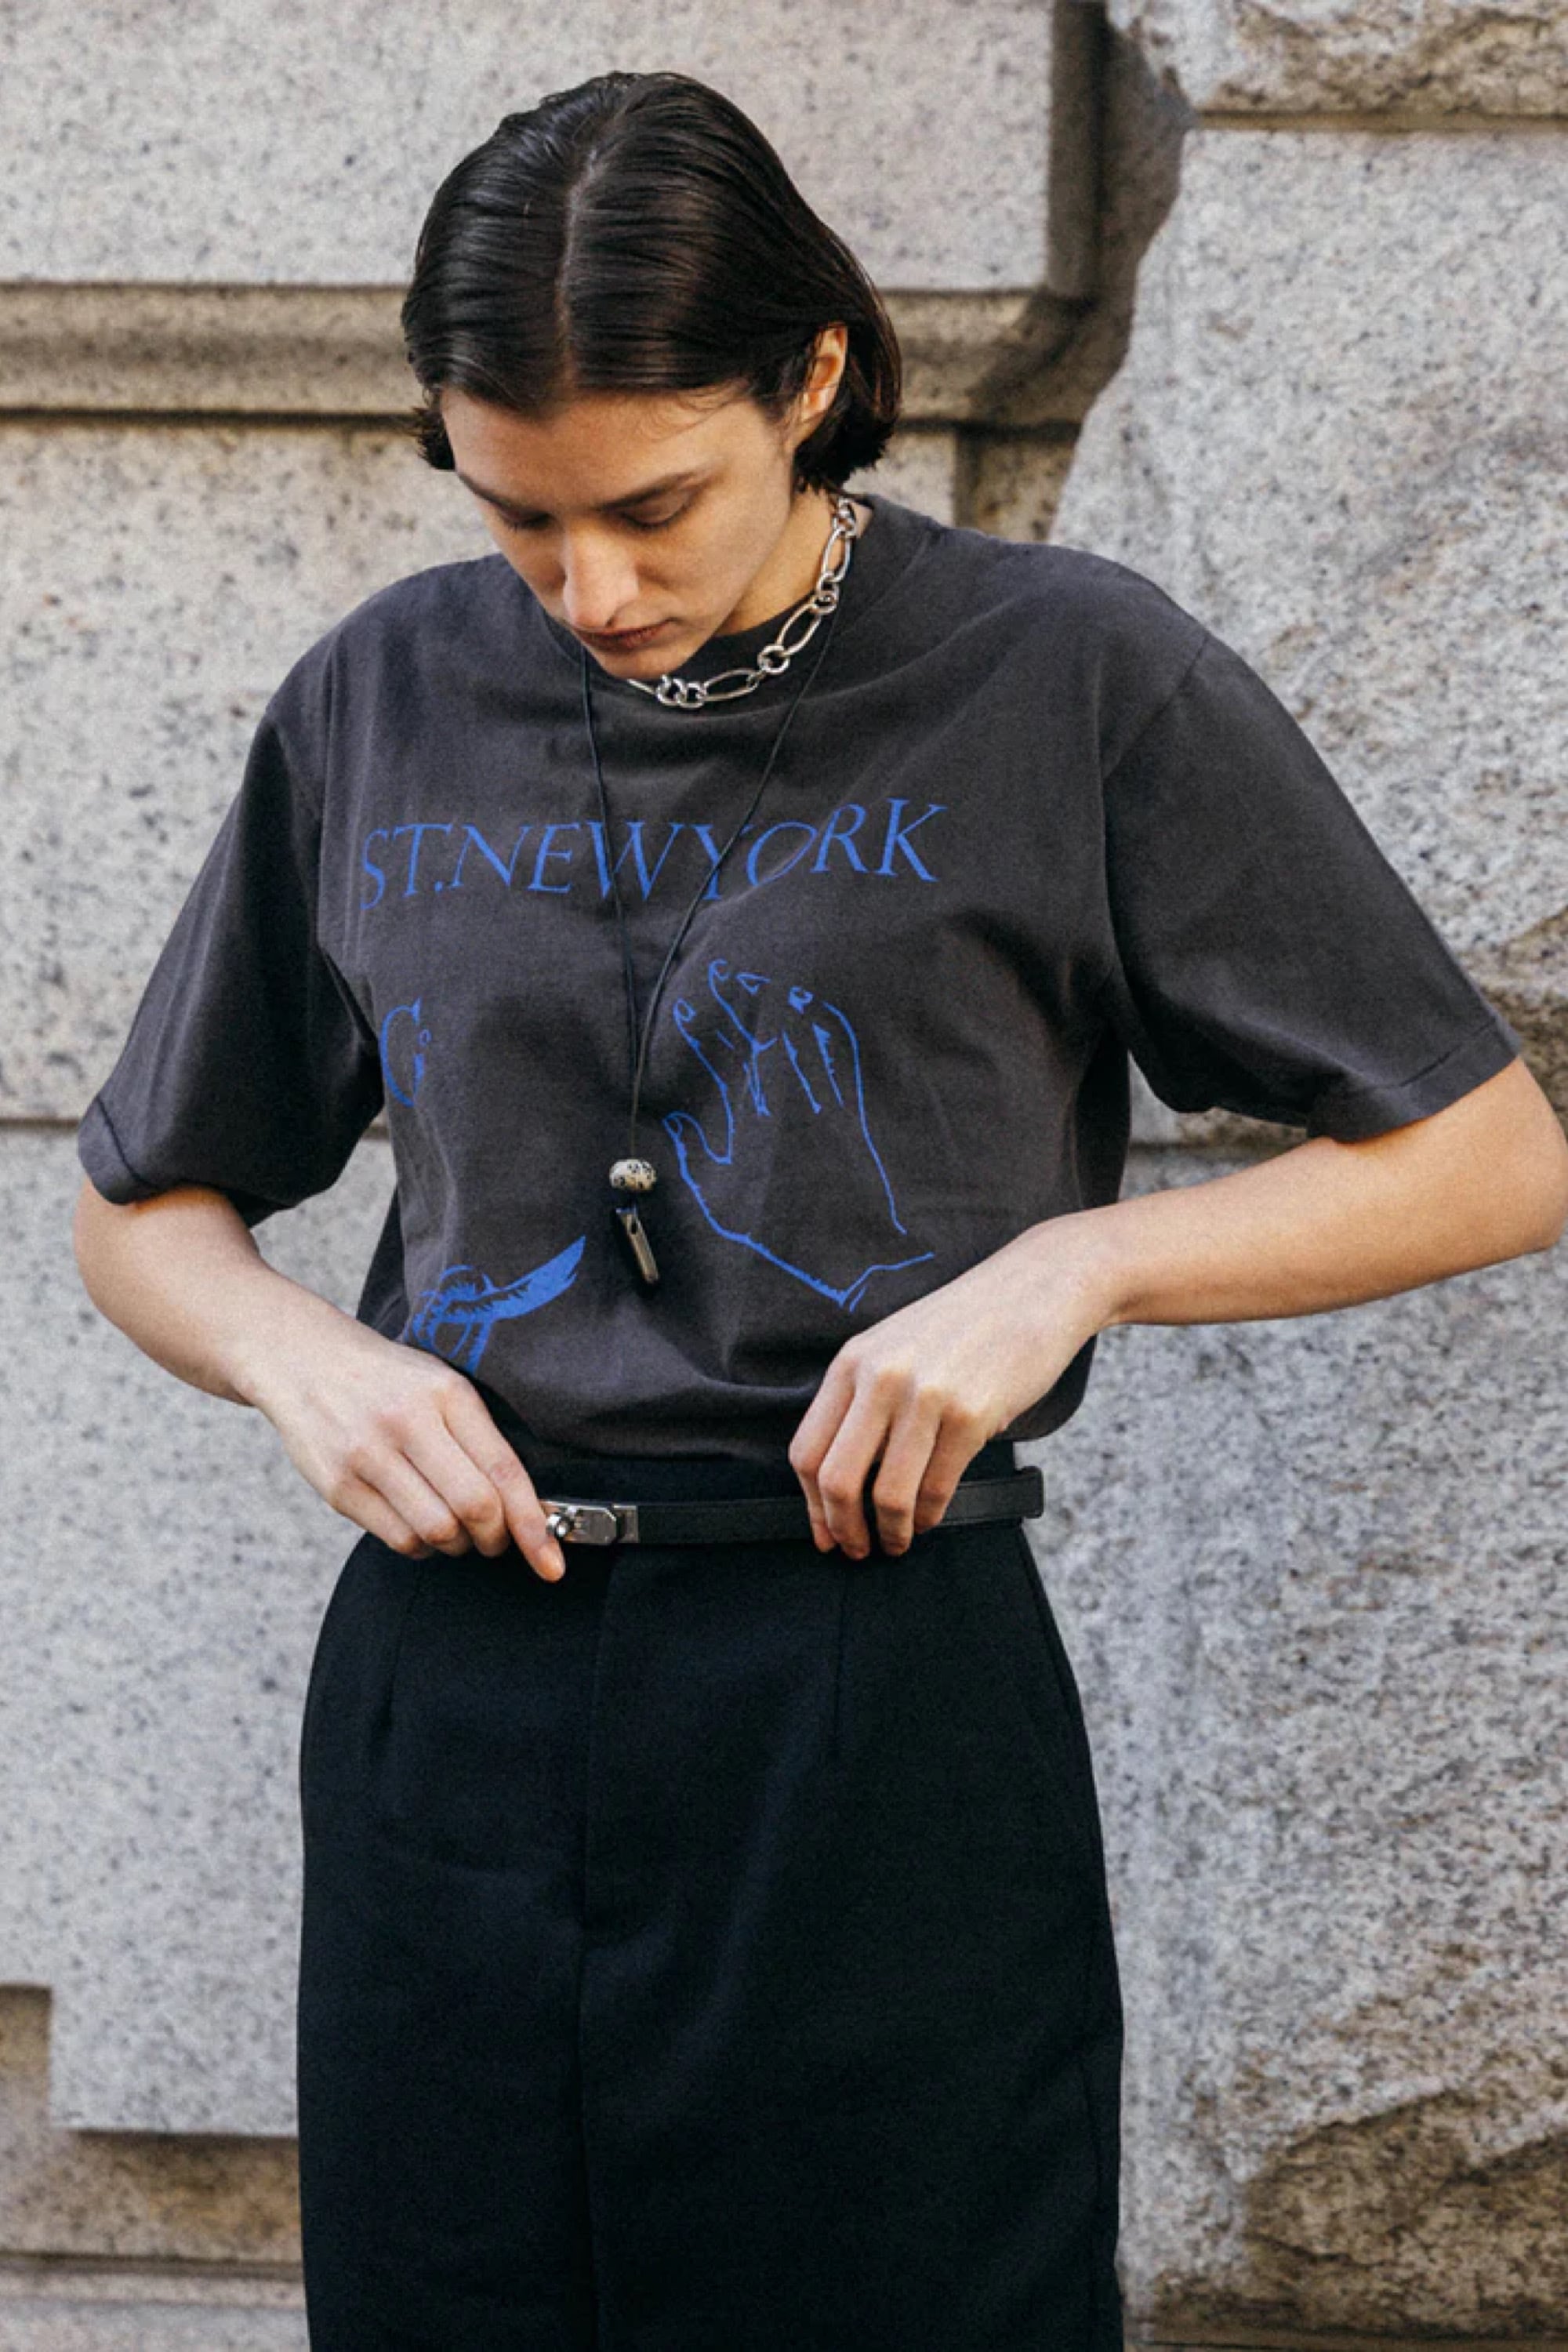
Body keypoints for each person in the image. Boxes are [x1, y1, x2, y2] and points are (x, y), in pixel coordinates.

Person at [71, 66, 1566, 2352]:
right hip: (450, 1699)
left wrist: (1074, 1266)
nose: (591, 589)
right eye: (517, 516)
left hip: (870, 1697)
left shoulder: (1069, 674)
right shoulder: (380, 691)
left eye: (653, 505)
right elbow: (144, 1202)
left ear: (812, 380)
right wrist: (305, 1360)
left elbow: (1489, 1154)